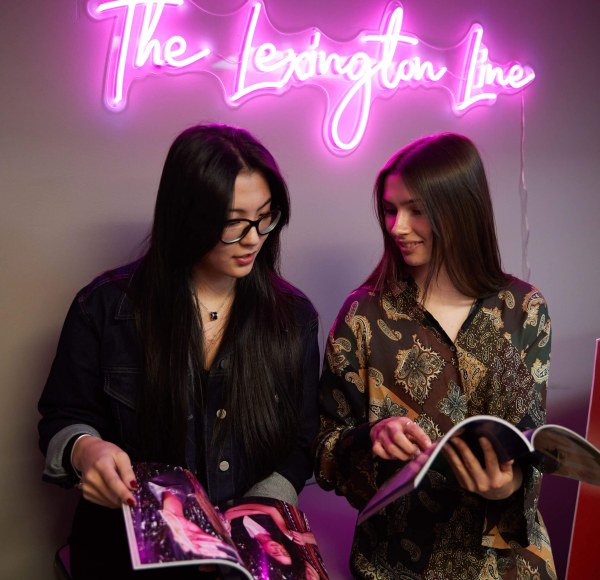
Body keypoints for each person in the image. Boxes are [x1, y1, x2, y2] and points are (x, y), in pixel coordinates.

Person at [38, 124, 320, 579]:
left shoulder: (294, 317)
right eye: (233, 222)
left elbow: (302, 443)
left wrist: (256, 518)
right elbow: (62, 418)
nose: (253, 238)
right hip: (122, 559)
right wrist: (85, 450)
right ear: (187, 217)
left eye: (266, 217)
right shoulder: (105, 307)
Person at [313, 133, 556, 578]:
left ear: (460, 209)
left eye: (416, 210)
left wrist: (510, 485)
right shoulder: (364, 315)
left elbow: (529, 437)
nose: (396, 227)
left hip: (508, 568)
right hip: (395, 565)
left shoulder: (523, 309)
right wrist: (371, 439)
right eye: (390, 209)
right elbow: (325, 451)